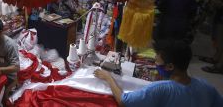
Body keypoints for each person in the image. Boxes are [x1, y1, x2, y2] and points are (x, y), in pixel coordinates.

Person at [94, 39, 223, 107]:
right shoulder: (207, 87)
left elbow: (124, 102)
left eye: (157, 61)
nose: (155, 64)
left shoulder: (160, 89)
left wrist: (108, 77)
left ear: (170, 66)